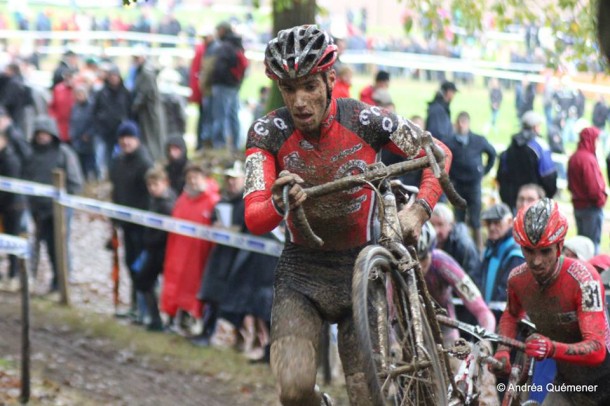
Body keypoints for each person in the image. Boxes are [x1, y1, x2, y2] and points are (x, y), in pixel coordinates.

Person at [244, 25, 452, 405]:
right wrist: (277, 201)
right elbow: (254, 217)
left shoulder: (367, 120)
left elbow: (438, 154)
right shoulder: (266, 133)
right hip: (300, 272)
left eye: (309, 85)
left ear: (329, 79)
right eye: (289, 89)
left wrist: (420, 210)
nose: (299, 101)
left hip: (361, 270)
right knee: (292, 390)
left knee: (365, 395)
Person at [490, 198, 610, 405]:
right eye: (528, 250)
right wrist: (502, 351)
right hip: (566, 383)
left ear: (559, 246)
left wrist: (551, 348)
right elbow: (511, 314)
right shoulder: (517, 279)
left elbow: (597, 349)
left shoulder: (584, 279)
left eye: (545, 251)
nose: (536, 261)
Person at [417, 223, 498, 405]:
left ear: (432, 251)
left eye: (423, 259)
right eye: (415, 261)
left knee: (459, 389)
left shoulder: (442, 262)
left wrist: (484, 341)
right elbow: (389, 315)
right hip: (412, 339)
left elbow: (482, 310)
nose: (420, 267)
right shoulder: (397, 267)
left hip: (446, 335)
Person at [24, 116, 83, 293]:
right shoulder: (31, 154)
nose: (42, 137)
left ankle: (62, 281)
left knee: (58, 245)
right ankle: (35, 280)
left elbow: (75, 182)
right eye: (39, 134)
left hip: (58, 210)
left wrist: (63, 201)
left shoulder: (64, 153)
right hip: (37, 209)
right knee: (39, 246)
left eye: (45, 133)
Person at [161, 163, 220, 329]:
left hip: (198, 255)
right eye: (190, 178)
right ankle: (172, 317)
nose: (193, 181)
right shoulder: (183, 199)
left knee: (193, 288)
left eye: (196, 177)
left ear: (204, 178)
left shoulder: (213, 201)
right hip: (178, 251)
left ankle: (191, 319)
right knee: (174, 285)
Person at [109, 120, 153, 318]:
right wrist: (115, 218)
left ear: (137, 140)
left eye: (130, 138)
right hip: (126, 223)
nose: (126, 142)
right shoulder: (117, 162)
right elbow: (116, 191)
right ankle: (136, 306)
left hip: (142, 225)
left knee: (142, 267)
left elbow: (151, 195)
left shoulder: (144, 162)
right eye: (123, 138)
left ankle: (146, 309)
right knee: (130, 263)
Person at [444, 111, 496, 248]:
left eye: (464, 123)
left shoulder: (478, 140)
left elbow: (492, 153)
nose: (461, 126)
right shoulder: (450, 142)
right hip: (458, 184)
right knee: (459, 218)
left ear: (468, 123)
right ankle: (460, 247)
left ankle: (479, 248)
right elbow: (443, 159)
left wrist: (484, 170)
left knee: (475, 219)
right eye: (459, 123)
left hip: (474, 185)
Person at [134, 166, 176, 331]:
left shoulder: (168, 204)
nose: (152, 189)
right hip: (153, 249)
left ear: (165, 183)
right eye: (149, 185)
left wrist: (151, 241)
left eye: (155, 185)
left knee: (162, 285)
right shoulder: (154, 200)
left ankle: (168, 321)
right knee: (144, 281)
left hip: (163, 250)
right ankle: (155, 318)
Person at [471, 203, 524, 322]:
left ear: (510, 222)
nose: (492, 227)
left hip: (505, 320)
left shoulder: (516, 254)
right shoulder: (489, 250)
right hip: (487, 317)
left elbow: (508, 293)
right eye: (489, 223)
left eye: (497, 223)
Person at [497, 111, 557, 212]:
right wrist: (548, 196)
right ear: (535, 127)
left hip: (515, 200)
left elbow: (502, 175)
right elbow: (549, 175)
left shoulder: (511, 146)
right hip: (536, 200)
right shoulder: (540, 146)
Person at [568, 127, 607, 253]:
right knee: (591, 246)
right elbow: (593, 188)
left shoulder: (574, 157)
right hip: (591, 208)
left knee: (581, 246)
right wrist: (601, 200)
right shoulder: (588, 160)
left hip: (578, 206)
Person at [90, 65, 131, 175]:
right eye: (111, 76)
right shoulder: (101, 92)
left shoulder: (126, 93)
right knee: (101, 159)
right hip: (103, 131)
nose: (113, 78)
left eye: (115, 76)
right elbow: (94, 111)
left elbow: (130, 111)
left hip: (120, 132)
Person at [0, 123, 26, 291]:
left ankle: (14, 275)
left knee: (13, 241)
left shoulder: (11, 159)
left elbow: (10, 188)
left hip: (12, 207)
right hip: (3, 206)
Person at [131, 49, 167, 161]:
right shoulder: (141, 72)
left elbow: (144, 94)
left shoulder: (146, 72)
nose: (136, 60)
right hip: (147, 112)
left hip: (149, 113)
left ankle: (154, 159)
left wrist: (134, 107)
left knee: (151, 138)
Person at [430, 203, 481, 277]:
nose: (435, 230)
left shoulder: (464, 246)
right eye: (432, 225)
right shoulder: (427, 241)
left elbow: (473, 276)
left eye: (440, 225)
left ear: (450, 225)